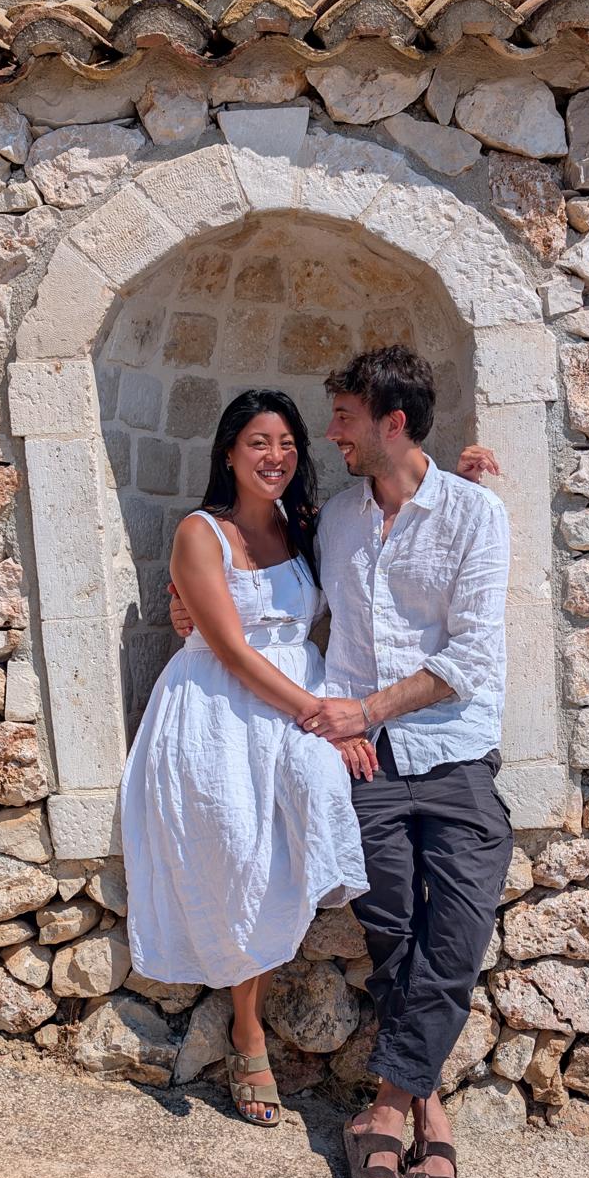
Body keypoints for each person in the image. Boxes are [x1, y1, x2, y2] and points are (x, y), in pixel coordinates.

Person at [170, 349, 510, 1178]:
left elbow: (470, 658)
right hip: (364, 760)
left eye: (344, 417)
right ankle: (426, 1112)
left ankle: (387, 1106)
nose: (332, 435)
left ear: (392, 422)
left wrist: (364, 710)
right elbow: (244, 582)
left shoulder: (477, 512)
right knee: (396, 931)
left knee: (460, 927)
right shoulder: (336, 519)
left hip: (454, 752)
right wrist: (192, 612)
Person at [121, 389, 373, 1129]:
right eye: (260, 442)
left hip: (296, 685)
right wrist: (313, 712)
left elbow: (388, 532)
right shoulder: (203, 532)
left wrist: (465, 475)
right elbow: (228, 648)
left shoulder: (307, 526)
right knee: (236, 840)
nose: (276, 456)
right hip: (221, 700)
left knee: (324, 785)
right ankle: (247, 1027)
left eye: (289, 443)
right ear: (229, 451)